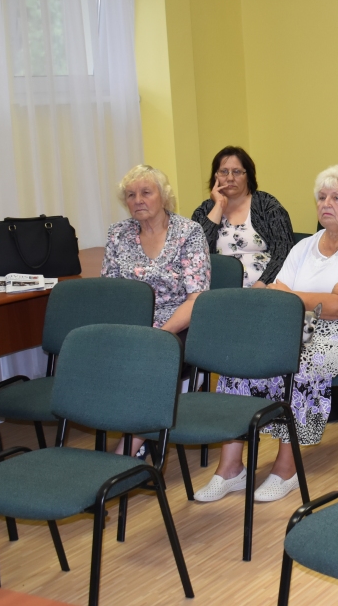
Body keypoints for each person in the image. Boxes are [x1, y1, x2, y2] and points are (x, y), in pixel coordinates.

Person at [194, 164, 338, 503]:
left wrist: (289, 299)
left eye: (336, 197)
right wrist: (291, 300)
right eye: (321, 197)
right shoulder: (305, 247)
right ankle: (231, 468)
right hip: (304, 327)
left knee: (299, 361)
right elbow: (279, 293)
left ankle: (286, 467)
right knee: (240, 358)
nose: (326, 203)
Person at [102, 164, 211, 457]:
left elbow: (196, 298)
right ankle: (140, 431)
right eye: (131, 195)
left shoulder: (189, 232)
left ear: (163, 197)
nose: (138, 200)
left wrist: (160, 334)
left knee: (154, 356)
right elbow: (111, 293)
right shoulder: (118, 234)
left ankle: (130, 445)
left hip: (179, 324)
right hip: (132, 324)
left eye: (146, 192)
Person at [191, 146, 294, 288]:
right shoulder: (204, 211)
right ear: (216, 176)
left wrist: (261, 285)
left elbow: (284, 252)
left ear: (248, 176)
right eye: (224, 172)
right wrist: (219, 206)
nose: (230, 178)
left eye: (237, 172)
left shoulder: (268, 206)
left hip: (264, 291)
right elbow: (195, 256)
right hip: (218, 293)